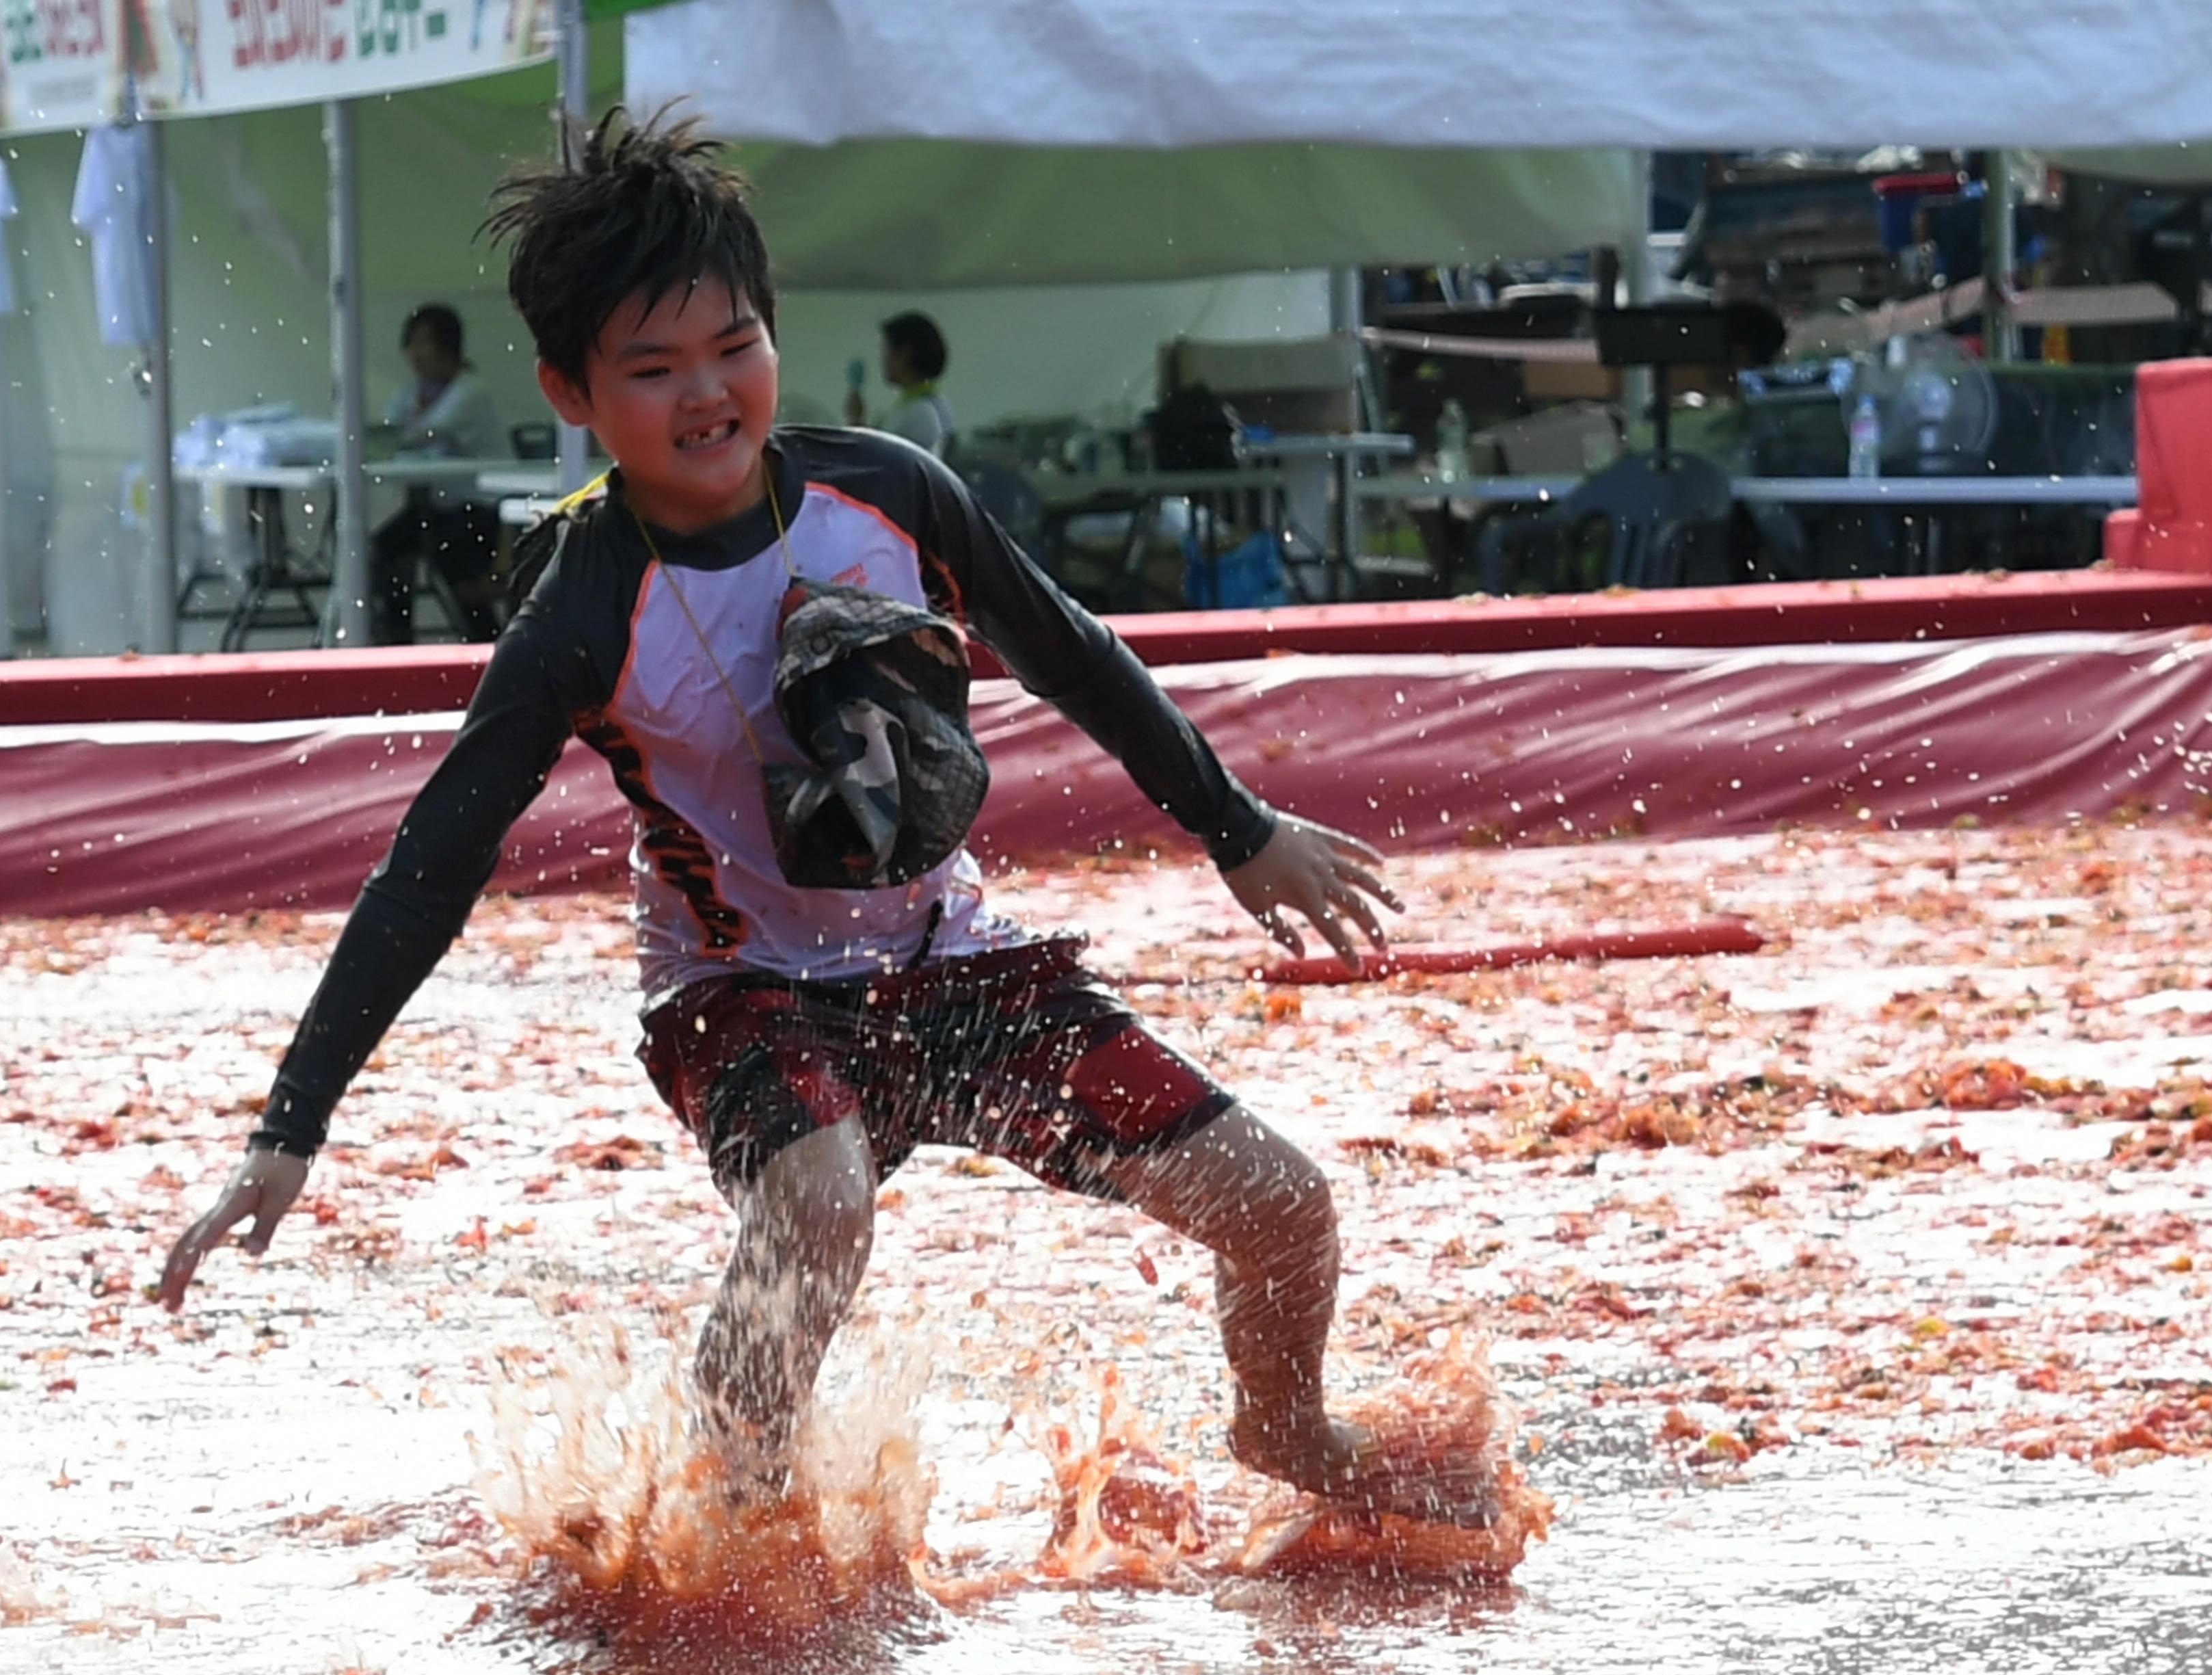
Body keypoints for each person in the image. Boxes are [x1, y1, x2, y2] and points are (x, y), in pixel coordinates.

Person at [159, 111, 1417, 1514]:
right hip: (740, 990)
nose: (707, 396)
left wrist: (1238, 831)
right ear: (569, 391)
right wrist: (291, 1128)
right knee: (819, 1201)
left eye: (734, 347)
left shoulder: (887, 492)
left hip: (949, 963)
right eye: (653, 370)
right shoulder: (578, 613)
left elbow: (1068, 651)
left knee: (1285, 1207)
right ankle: (738, 1521)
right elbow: (430, 868)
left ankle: (1288, 1431)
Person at [371, 302, 514, 643]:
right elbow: (388, 432)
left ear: (449, 347)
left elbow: (417, 435)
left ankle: (484, 644)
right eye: (411, 344)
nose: (415, 355)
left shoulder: (470, 392)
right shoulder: (413, 392)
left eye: (424, 343)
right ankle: (396, 641)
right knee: (383, 551)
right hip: (438, 507)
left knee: (449, 560)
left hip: (480, 509)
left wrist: (400, 430)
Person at [842, 311, 955, 456]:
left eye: (888, 351)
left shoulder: (917, 412)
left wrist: (856, 422)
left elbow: (873, 462)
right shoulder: (933, 404)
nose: (884, 360)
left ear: (904, 354)